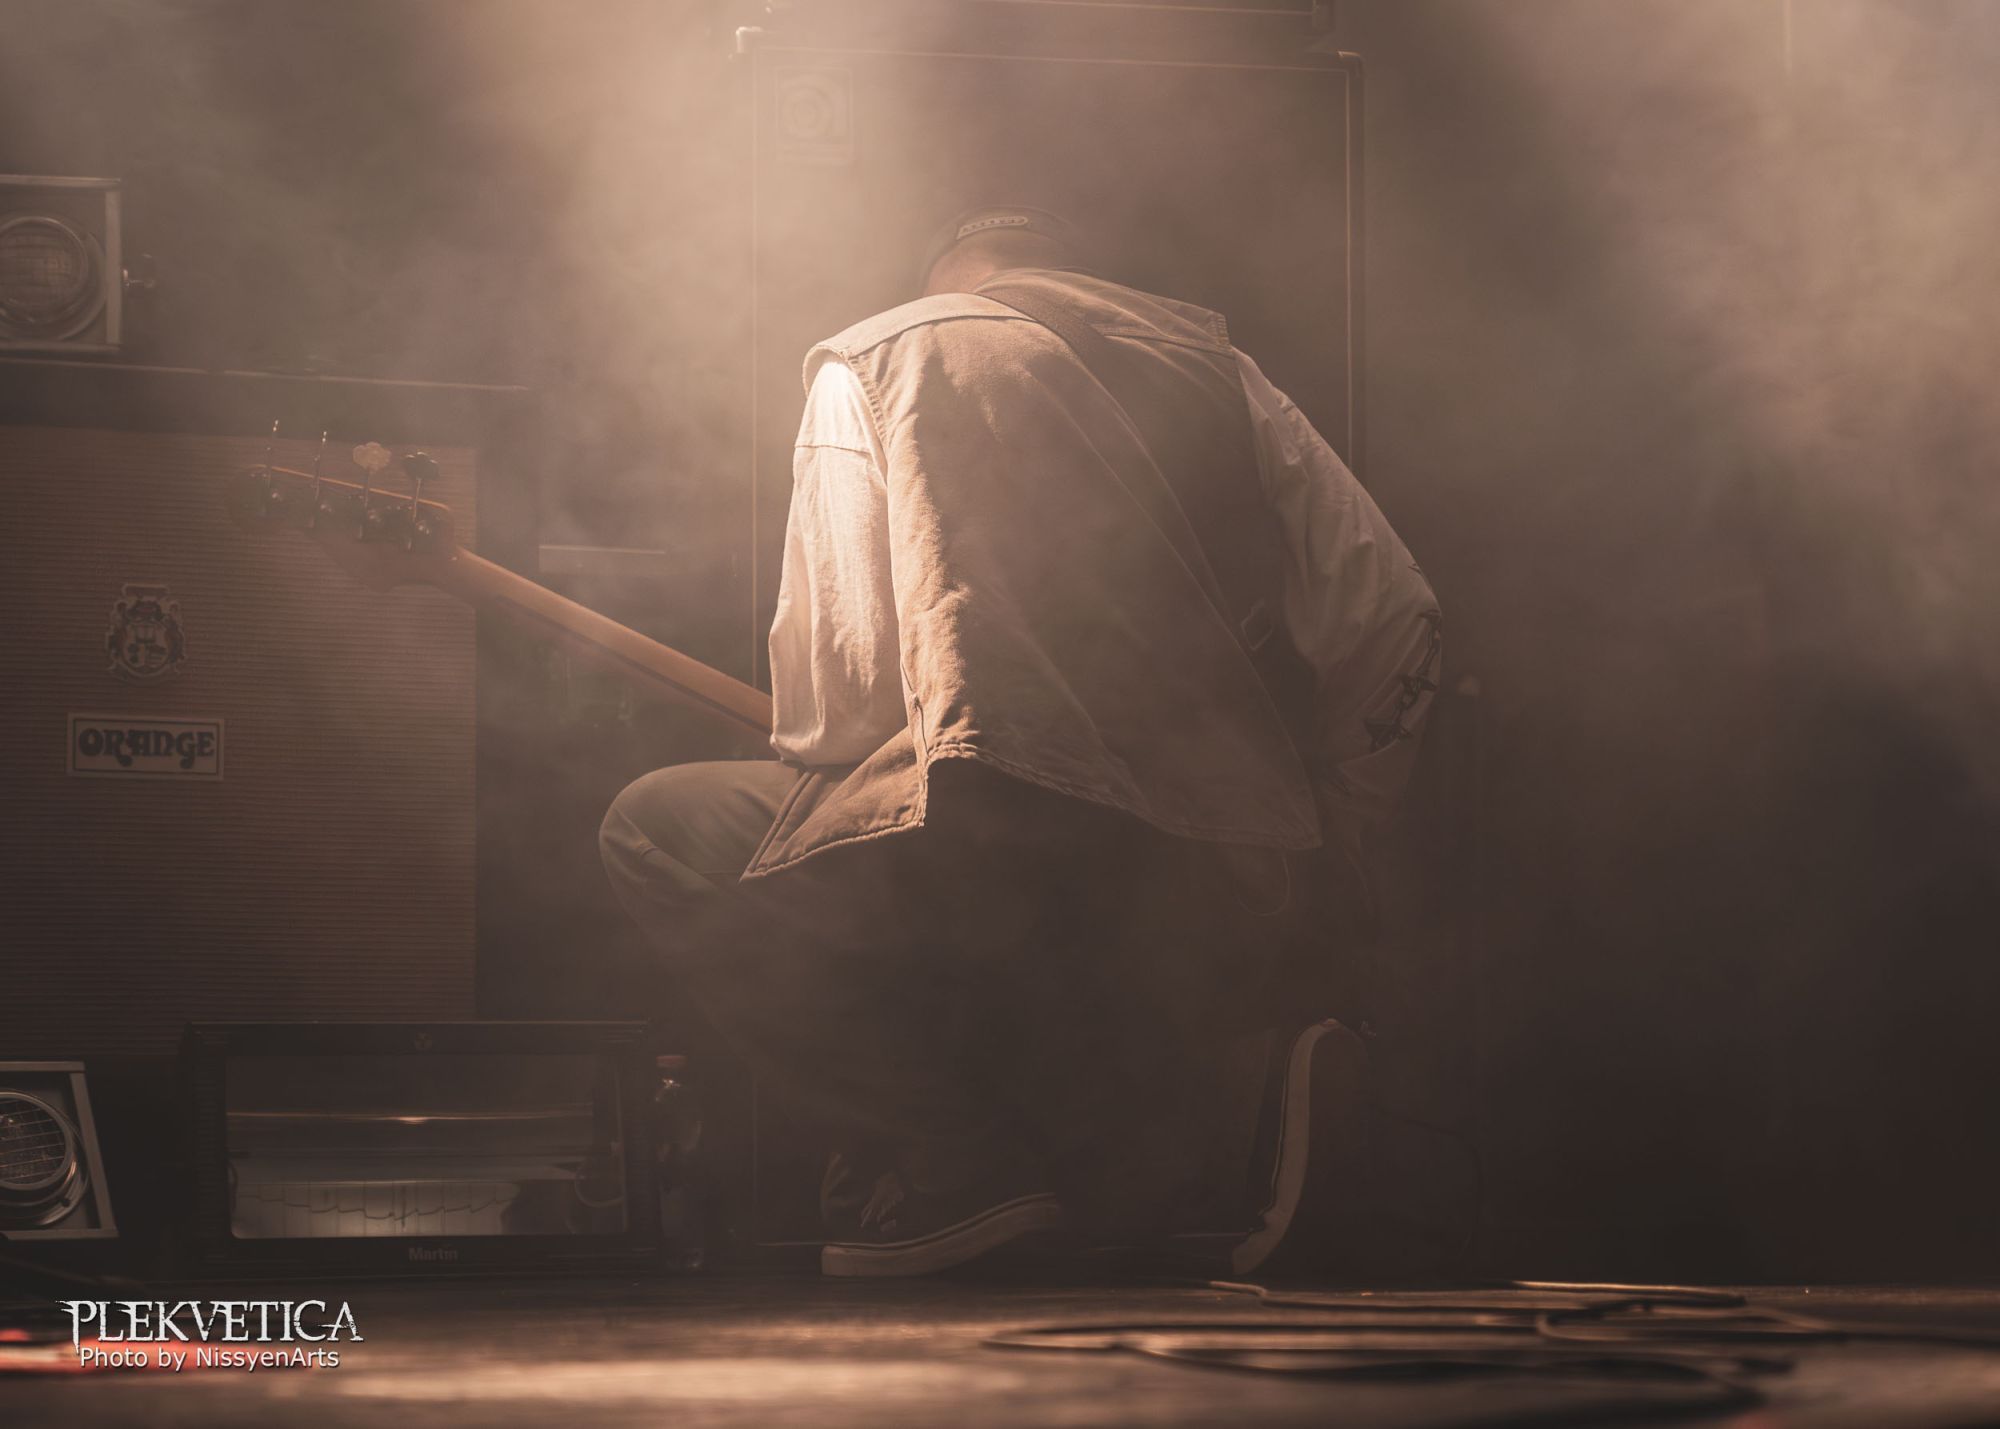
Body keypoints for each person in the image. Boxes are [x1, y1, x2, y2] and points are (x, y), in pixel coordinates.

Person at [600, 206, 1441, 1277]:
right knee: (1112, 1019)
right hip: (1221, 879)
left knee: (653, 827)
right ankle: (1202, 1114)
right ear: (1074, 280)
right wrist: (1335, 837)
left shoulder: (879, 356)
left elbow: (838, 713)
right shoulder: (1219, 374)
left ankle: (955, 1165)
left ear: (950, 279)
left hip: (988, 859)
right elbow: (1396, 619)